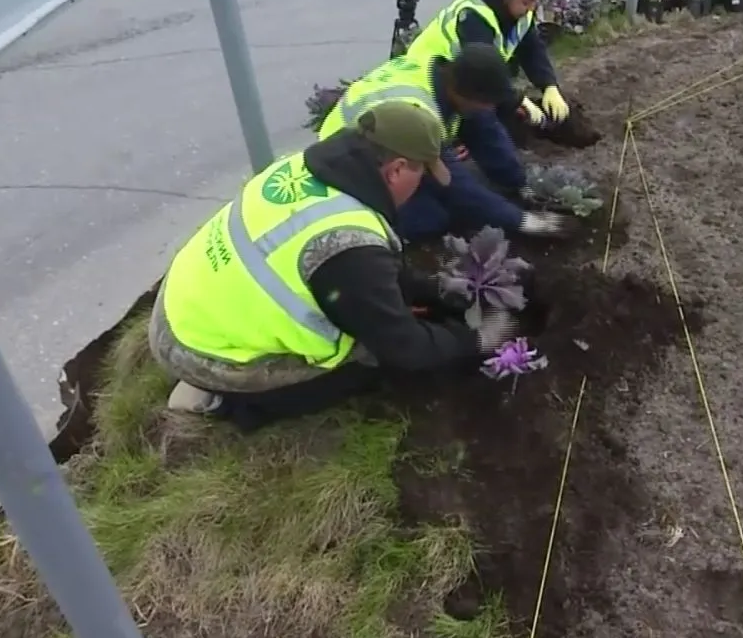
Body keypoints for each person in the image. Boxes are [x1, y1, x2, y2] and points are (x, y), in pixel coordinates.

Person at [151, 102, 523, 430]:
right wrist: (478, 338)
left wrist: (438, 294)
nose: (424, 182)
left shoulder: (312, 168)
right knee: (364, 364)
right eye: (422, 172)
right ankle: (221, 399)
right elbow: (405, 349)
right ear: (395, 170)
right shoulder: (346, 245)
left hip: (185, 301)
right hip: (194, 345)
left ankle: (214, 365)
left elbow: (374, 277)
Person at [318, 43, 572, 241]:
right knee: (431, 217)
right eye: (488, 102)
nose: (491, 108)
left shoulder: (445, 76)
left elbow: (487, 131)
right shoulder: (420, 114)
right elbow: (451, 183)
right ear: (467, 93)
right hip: (349, 167)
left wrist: (519, 183)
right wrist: (522, 221)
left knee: (476, 177)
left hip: (383, 145)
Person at [402, 0, 571, 130]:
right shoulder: (474, 18)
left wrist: (549, 86)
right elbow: (483, 78)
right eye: (526, 2)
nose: (532, 8)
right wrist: (517, 101)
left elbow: (531, 50)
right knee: (482, 119)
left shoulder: (519, 14)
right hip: (426, 83)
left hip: (457, 83)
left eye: (535, 1)